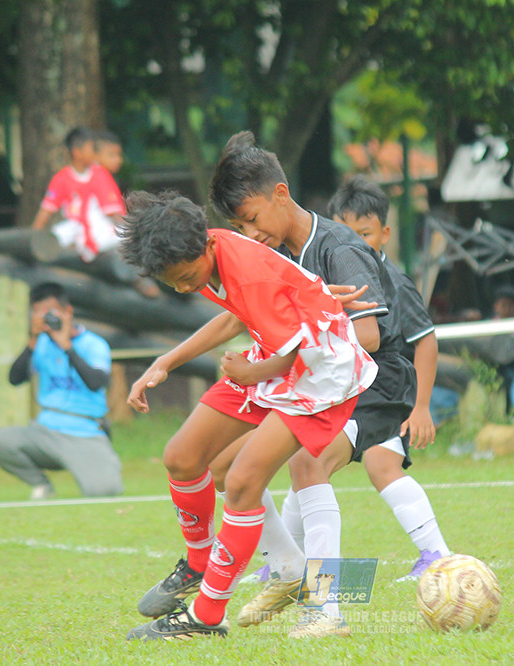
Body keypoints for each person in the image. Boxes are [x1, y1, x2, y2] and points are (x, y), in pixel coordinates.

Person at [118, 189, 377, 641]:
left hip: (319, 373)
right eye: (173, 283)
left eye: (186, 276)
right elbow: (235, 318)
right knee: (183, 456)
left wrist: (247, 371)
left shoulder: (246, 270)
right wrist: (165, 362)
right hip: (275, 357)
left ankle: (206, 615)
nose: (185, 288)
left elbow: (294, 354)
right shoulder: (210, 247)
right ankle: (203, 565)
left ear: (208, 248)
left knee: (241, 481)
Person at [194, 131, 418, 637]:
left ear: (280, 193)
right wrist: (168, 360)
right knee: (224, 467)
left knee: (306, 460)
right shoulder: (272, 255)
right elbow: (235, 317)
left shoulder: (339, 247)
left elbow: (367, 335)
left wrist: (288, 346)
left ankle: (325, 607)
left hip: (373, 383)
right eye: (237, 226)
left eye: (251, 219)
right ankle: (287, 567)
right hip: (317, 381)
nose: (249, 233)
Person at [326, 174, 452, 576]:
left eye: (365, 234)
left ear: (385, 232)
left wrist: (422, 408)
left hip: (385, 386)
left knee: (316, 464)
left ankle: (296, 571)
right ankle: (286, 564)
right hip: (349, 384)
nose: (355, 243)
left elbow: (426, 341)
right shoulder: (332, 274)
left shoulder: (393, 282)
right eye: (345, 233)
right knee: (321, 465)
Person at [0, 282, 122, 499]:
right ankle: (42, 486)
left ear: (68, 312)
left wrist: (67, 346)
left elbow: (97, 382)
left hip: (84, 431)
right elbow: (15, 378)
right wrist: (32, 340)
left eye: (49, 312)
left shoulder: (93, 344)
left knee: (105, 491)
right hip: (45, 431)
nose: (45, 318)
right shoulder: (40, 343)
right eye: (38, 312)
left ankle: (99, 464)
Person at [31, 127, 125, 264]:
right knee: (60, 234)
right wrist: (32, 240)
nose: (95, 152)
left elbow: (113, 213)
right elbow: (45, 212)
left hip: (101, 229)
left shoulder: (100, 174)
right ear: (77, 152)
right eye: (92, 148)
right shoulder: (61, 179)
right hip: (74, 230)